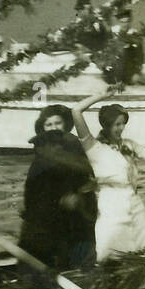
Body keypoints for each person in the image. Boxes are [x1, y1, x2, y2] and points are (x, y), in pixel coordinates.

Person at [69, 93, 145, 261]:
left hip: (134, 202)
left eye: (123, 123)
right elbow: (76, 110)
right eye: (116, 124)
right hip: (111, 203)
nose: (121, 128)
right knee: (110, 250)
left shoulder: (129, 144)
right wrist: (104, 94)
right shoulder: (93, 147)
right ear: (106, 124)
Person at [17, 104, 97, 270]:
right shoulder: (42, 150)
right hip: (48, 212)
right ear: (43, 128)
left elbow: (86, 176)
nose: (54, 128)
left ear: (66, 124)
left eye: (57, 123)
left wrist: (80, 195)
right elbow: (35, 187)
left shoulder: (74, 145)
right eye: (49, 124)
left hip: (76, 212)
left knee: (79, 248)